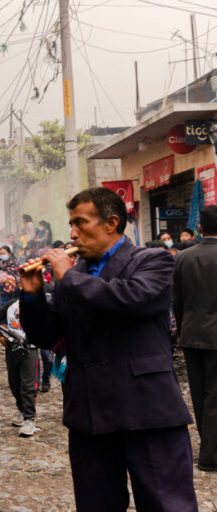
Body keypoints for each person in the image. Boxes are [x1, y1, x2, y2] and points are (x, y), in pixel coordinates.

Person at [19, 187, 197, 510]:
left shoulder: (152, 260)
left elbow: (129, 299)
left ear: (111, 222)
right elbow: (47, 336)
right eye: (71, 224)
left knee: (166, 504)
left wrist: (68, 278)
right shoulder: (74, 275)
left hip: (148, 410)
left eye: (80, 223)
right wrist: (32, 296)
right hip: (90, 413)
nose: (73, 234)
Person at [173, 205, 217, 472]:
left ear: (200, 228)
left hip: (191, 334)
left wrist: (183, 328)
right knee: (214, 394)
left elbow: (176, 301)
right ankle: (210, 454)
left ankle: (207, 445)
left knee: (199, 393)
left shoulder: (182, 258)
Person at [0, 289, 39, 437]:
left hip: (30, 350)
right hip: (12, 349)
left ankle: (30, 418)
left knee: (28, 385)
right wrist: (0, 337)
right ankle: (22, 410)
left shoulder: (37, 305)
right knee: (14, 383)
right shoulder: (11, 304)